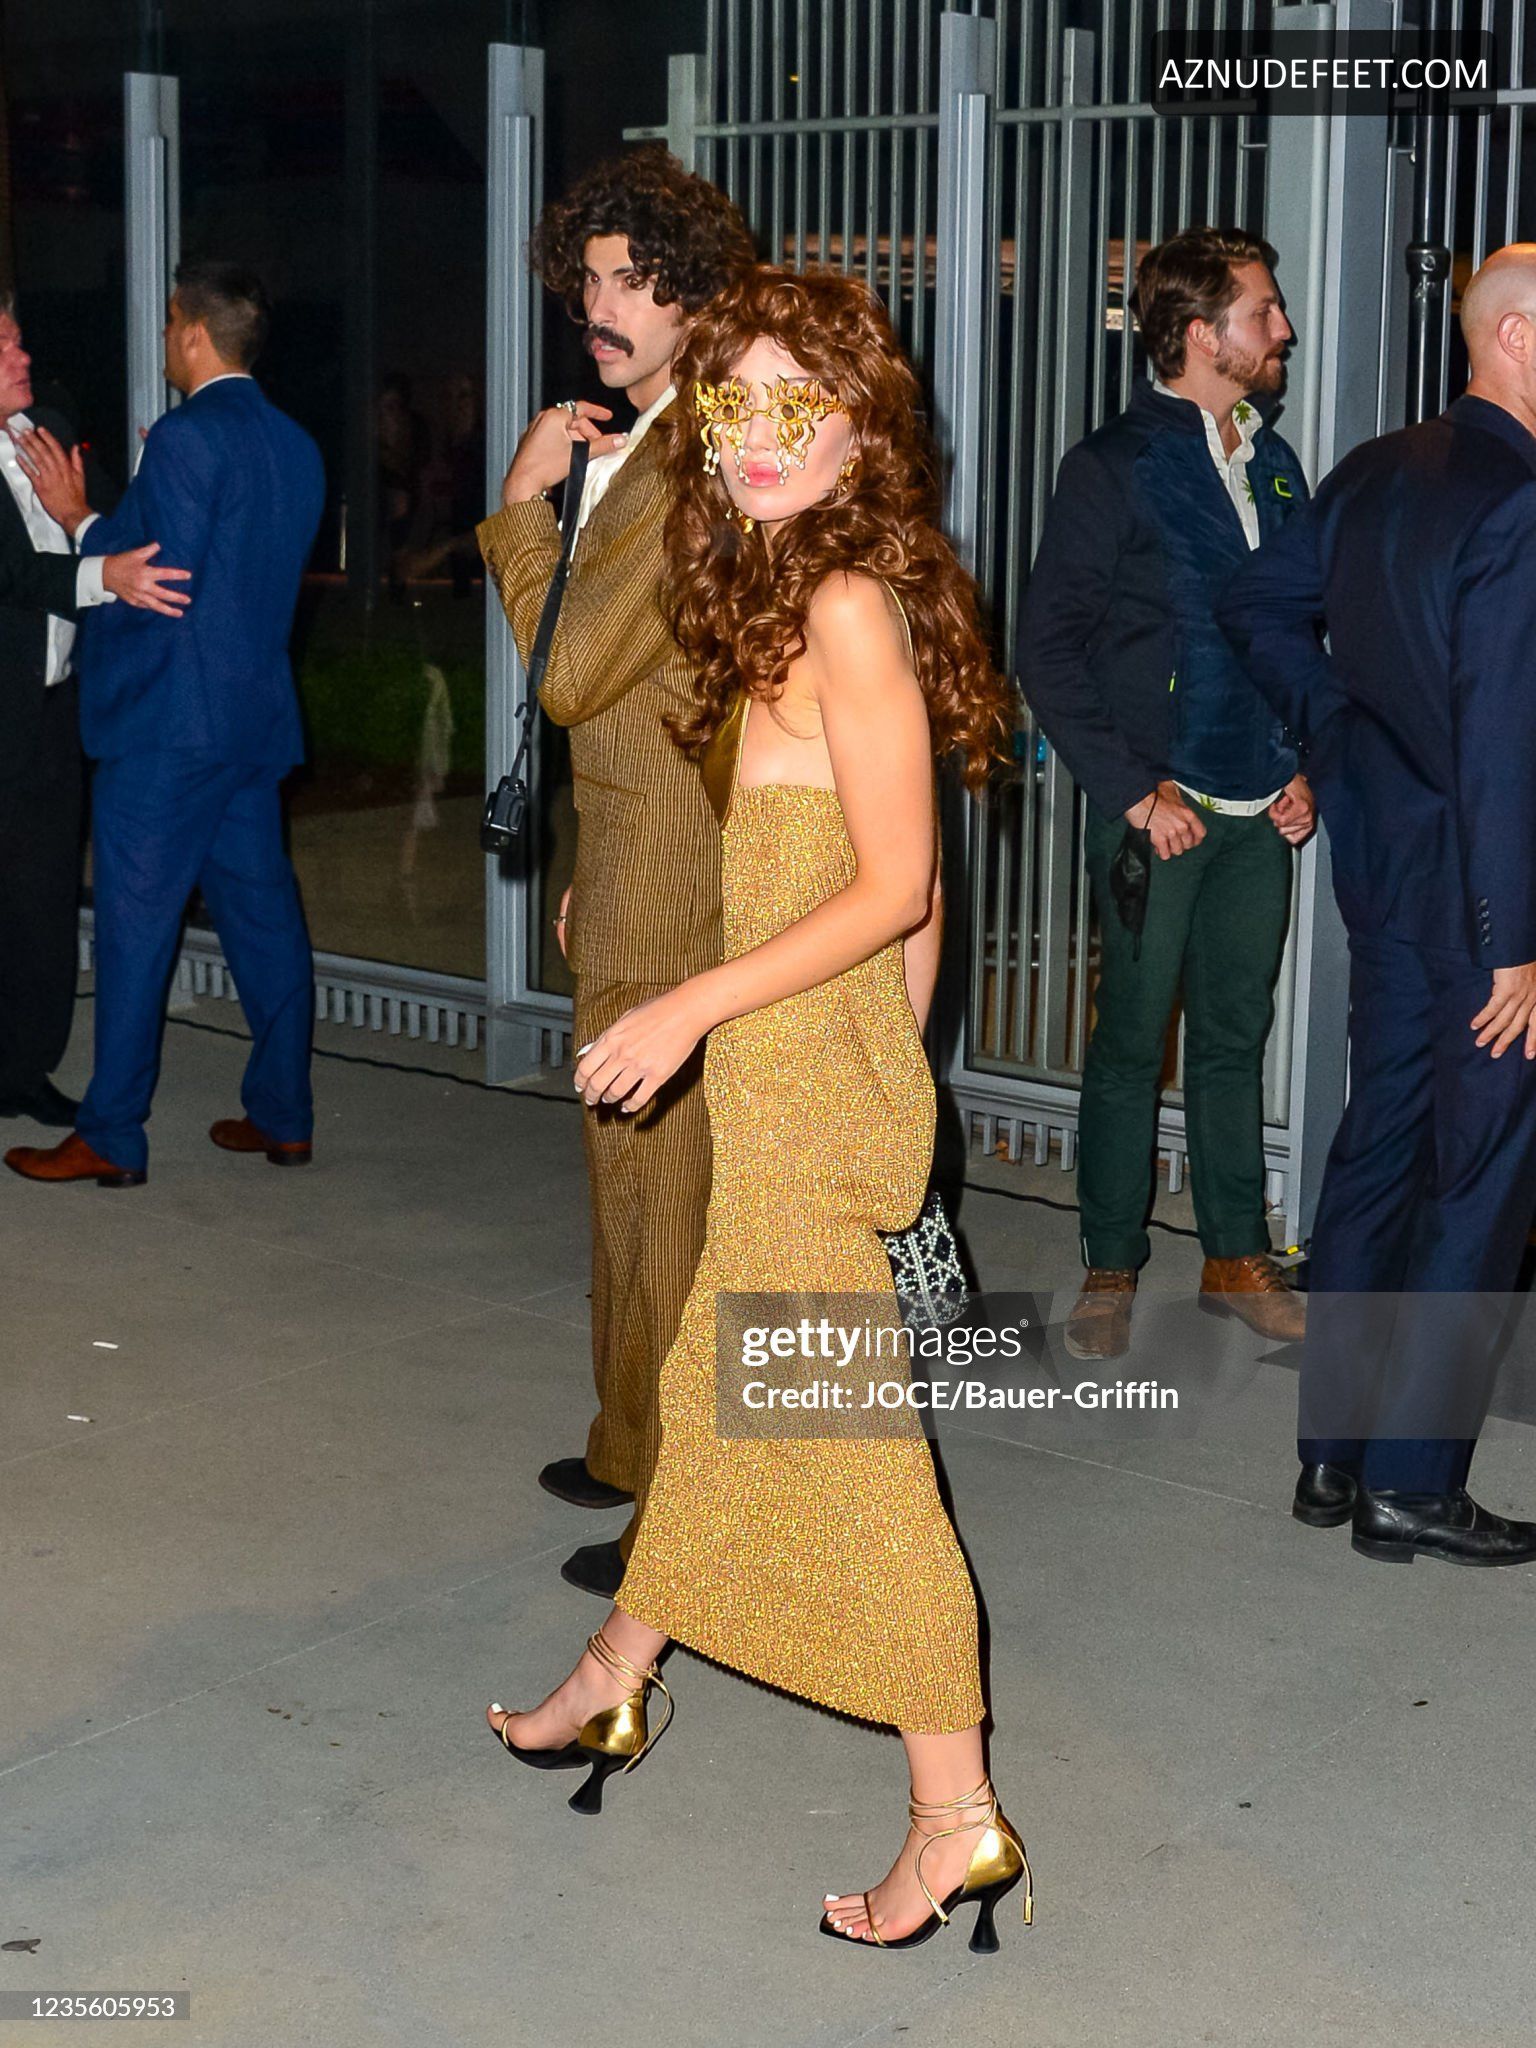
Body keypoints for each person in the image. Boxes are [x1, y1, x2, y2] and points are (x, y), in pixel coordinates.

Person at [486, 265, 1029, 1953]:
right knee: (719, 1405)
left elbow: (898, 882)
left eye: (803, 403)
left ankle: (954, 1815)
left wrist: (698, 1009)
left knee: (854, 1457)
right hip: (806, 1076)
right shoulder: (790, 585)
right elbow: (914, 907)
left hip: (798, 1085)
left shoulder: (848, 602)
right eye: (737, 402)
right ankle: (614, 1672)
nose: (762, 434)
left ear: (863, 425)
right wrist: (881, 1072)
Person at [1218, 243, 1536, 1567]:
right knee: (1480, 1178)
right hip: (1484, 904)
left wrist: (1337, 732)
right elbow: (1504, 740)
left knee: (1378, 1147)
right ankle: (1410, 1483)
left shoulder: (1376, 469)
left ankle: (1331, 1454)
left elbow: (1256, 603)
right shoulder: (1519, 499)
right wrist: (1517, 942)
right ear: (1512, 337)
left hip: (1388, 874)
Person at [478, 146, 754, 1600]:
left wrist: (522, 510)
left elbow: (575, 671)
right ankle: (631, 1438)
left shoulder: (692, 452)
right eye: (587, 279)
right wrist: (600, 854)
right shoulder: (652, 437)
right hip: (643, 850)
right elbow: (649, 693)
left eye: (631, 281)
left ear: (694, 294)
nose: (599, 306)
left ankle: (687, 1519)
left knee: (669, 1203)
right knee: (626, 1182)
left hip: (685, 874)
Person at [1018, 227, 1314, 1361]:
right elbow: (1048, 649)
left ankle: (1236, 1257)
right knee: (1133, 1041)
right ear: (1200, 335)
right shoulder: (1115, 465)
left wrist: (1303, 762)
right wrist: (1136, 792)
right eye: (1262, 313)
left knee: (1236, 1034)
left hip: (1258, 806)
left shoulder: (1276, 465)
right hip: (1164, 805)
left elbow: (1295, 632)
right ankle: (1110, 1263)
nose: (1283, 329)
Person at [4, 260, 325, 1190]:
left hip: (168, 731)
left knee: (135, 934)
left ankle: (110, 1132)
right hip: (251, 725)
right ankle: (284, 1116)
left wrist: (81, 518)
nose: (163, 339)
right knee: (265, 922)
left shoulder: (187, 436)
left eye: (168, 324)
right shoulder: (294, 443)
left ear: (191, 331)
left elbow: (159, 578)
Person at [0, 296, 191, 1130]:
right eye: (3, 343)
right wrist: (101, 575)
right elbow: (19, 576)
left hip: (50, 712)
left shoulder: (48, 427)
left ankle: (23, 1070)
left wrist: (158, 488)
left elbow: (109, 519)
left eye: (19, 337)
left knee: (43, 900)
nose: (23, 355)